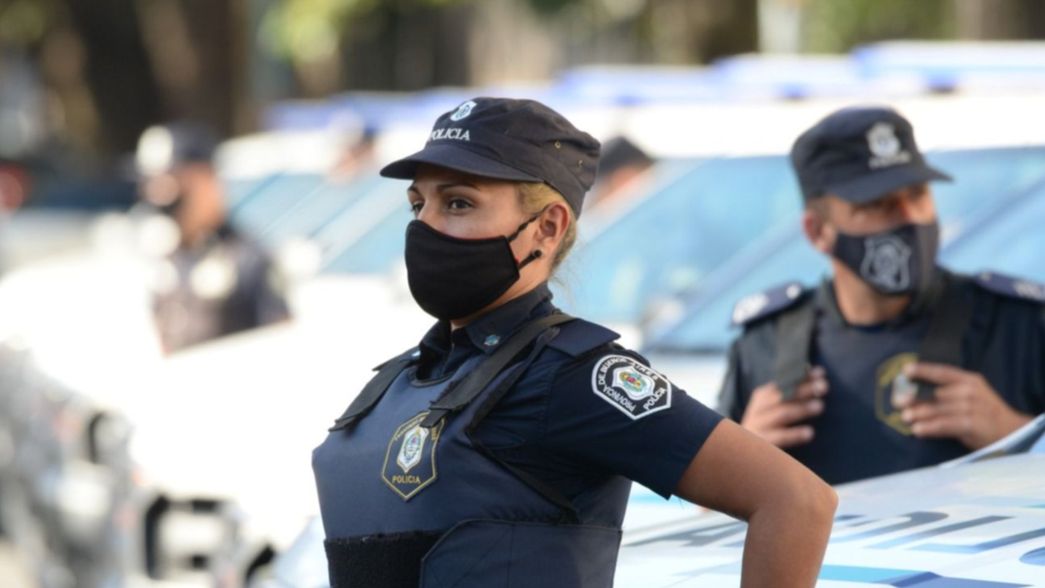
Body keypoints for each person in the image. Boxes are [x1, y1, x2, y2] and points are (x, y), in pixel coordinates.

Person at [312, 97, 835, 588]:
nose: (425, 226)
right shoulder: (403, 379)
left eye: (458, 203)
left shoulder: (570, 375)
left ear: (547, 227)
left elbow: (795, 500)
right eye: (417, 205)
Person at [718, 106, 1045, 485]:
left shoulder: (1019, 325)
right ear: (818, 231)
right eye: (878, 204)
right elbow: (708, 520)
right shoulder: (765, 343)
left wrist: (1017, 435)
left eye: (918, 194)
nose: (910, 217)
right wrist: (738, 461)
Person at [134, 121, 290, 353]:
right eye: (152, 183)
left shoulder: (248, 260)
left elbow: (282, 346)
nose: (161, 196)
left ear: (207, 180)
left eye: (173, 181)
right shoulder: (165, 257)